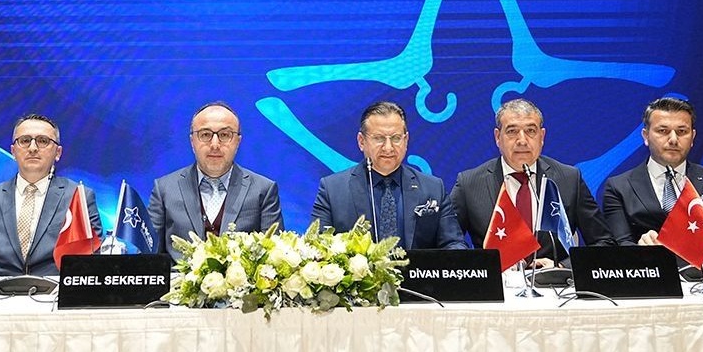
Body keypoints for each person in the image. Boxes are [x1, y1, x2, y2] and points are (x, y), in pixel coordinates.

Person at [450, 98, 614, 264]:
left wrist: (561, 267)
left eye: (530, 131)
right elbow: (449, 247)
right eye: (512, 131)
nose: (522, 140)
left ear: (541, 136)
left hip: (556, 279)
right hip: (496, 280)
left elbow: (604, 244)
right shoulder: (469, 184)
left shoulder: (569, 179)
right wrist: (489, 267)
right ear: (498, 137)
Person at [312, 101, 466, 249]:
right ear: (361, 141)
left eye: (396, 138)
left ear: (406, 140)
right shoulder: (332, 190)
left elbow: (453, 244)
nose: (388, 148)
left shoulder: (433, 188)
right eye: (379, 138)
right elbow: (317, 249)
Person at [0, 113, 101, 277]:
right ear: (13, 151)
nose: (32, 148)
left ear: (58, 153)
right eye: (24, 141)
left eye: (43, 141)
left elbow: (93, 262)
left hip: (56, 290)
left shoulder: (78, 197)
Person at [148, 102, 282, 260]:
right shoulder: (164, 189)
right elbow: (149, 258)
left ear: (237, 142)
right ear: (192, 141)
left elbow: (274, 259)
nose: (215, 144)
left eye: (225, 135)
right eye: (205, 135)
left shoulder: (263, 190)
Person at [601, 97, 703, 249]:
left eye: (681, 132)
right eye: (663, 131)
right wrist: (639, 249)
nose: (673, 139)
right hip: (647, 262)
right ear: (646, 136)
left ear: (692, 137)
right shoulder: (618, 187)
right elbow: (618, 244)